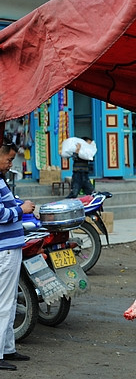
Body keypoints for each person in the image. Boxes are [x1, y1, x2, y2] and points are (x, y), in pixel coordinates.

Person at [0, 142, 34, 371]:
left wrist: (20, 205)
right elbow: (2, 214)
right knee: (3, 303)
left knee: (10, 301)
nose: (11, 164)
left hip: (12, 247)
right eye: (9, 159)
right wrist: (21, 210)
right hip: (5, 250)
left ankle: (8, 347)